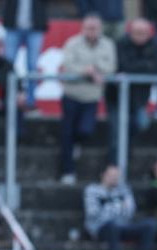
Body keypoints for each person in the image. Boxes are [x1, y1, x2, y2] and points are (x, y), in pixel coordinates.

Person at [58, 14, 117, 184]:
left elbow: (111, 68)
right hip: (71, 94)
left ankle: (77, 143)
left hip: (92, 96)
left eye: (95, 28)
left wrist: (95, 69)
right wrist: (87, 71)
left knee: (86, 130)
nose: (92, 31)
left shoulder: (108, 44)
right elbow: (68, 66)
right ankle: (67, 171)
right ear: (83, 29)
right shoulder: (72, 43)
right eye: (89, 28)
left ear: (100, 29)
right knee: (66, 134)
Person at [84, 164, 157, 250]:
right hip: (102, 228)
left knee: (149, 224)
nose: (114, 178)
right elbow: (93, 212)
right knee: (112, 225)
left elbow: (130, 212)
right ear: (102, 175)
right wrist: (118, 207)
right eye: (111, 175)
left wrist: (107, 207)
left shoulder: (124, 190)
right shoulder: (92, 190)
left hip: (123, 226)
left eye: (116, 176)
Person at [106, 17, 157, 163]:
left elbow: (156, 68)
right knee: (116, 134)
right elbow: (123, 66)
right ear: (130, 32)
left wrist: (135, 68)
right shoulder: (121, 44)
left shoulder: (154, 46)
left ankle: (124, 160)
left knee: (141, 124)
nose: (140, 36)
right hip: (116, 98)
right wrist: (144, 66)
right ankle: (114, 166)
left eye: (144, 32)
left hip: (139, 99)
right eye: (137, 32)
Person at [1, 0, 48, 112]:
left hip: (35, 27)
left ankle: (30, 102)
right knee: (7, 64)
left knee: (32, 66)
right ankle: (6, 99)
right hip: (13, 26)